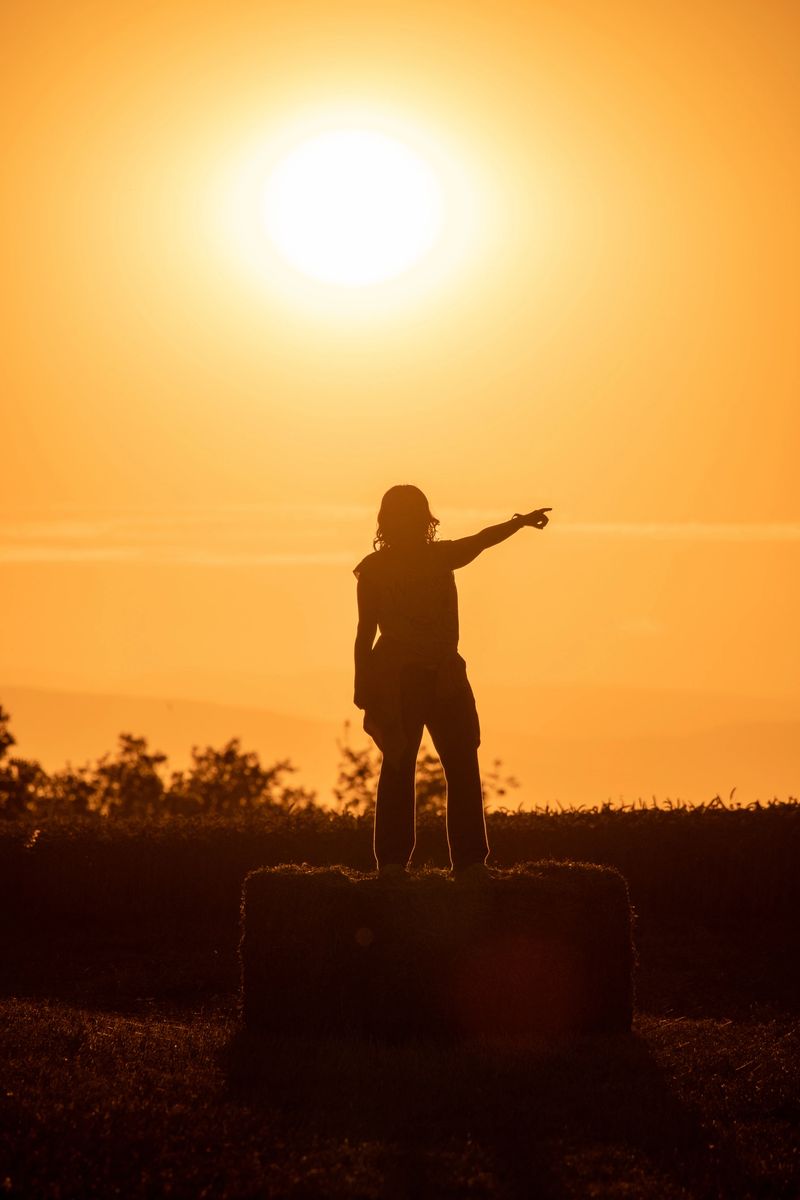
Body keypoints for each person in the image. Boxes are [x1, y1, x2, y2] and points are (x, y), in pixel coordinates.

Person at [353, 485, 551, 879]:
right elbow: (365, 631)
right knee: (410, 764)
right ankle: (411, 862)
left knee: (449, 762)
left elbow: (481, 540)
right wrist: (363, 685)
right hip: (404, 679)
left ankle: (460, 861)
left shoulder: (431, 558)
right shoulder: (391, 567)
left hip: (441, 676)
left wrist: (520, 523)